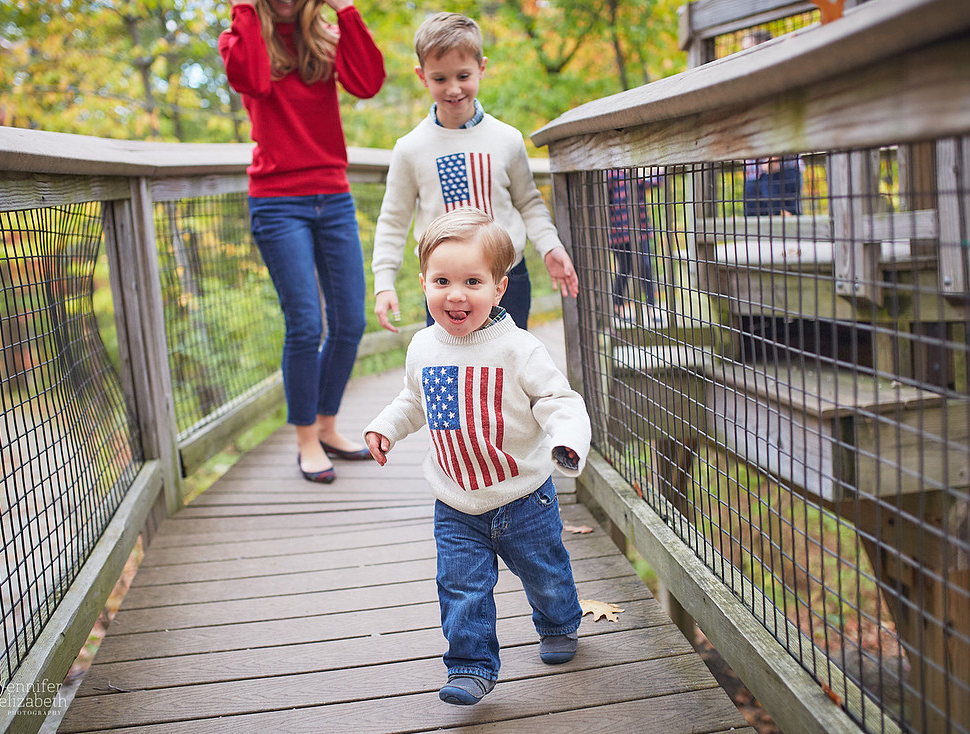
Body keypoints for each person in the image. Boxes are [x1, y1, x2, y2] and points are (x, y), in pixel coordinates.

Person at [365, 209, 590, 706]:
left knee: (545, 573)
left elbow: (558, 401)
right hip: (456, 502)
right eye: (442, 280)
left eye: (473, 281)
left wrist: (567, 438)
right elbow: (413, 400)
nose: (456, 294)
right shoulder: (424, 347)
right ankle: (470, 666)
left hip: (524, 497)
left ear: (499, 287)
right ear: (423, 283)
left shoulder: (519, 349)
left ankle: (558, 622)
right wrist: (385, 426)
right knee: (460, 587)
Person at [219, 0, 385, 483]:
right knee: (305, 324)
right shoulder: (240, 36)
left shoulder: (325, 38)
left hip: (333, 196)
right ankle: (306, 439)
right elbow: (250, 80)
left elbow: (368, 83)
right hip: (276, 201)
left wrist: (347, 10)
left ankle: (329, 425)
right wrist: (246, 7)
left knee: (350, 321)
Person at [370, 11, 578, 334]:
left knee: (508, 367)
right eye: (440, 79)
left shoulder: (507, 140)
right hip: (444, 289)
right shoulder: (410, 149)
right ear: (422, 76)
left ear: (481, 68)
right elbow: (393, 221)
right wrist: (384, 282)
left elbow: (529, 203)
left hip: (506, 279)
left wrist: (550, 246)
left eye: (463, 76)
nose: (453, 89)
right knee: (451, 372)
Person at [606, 169, 666, 328]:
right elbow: (603, 196)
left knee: (646, 267)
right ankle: (617, 307)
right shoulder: (611, 174)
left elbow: (656, 181)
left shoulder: (637, 171)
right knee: (624, 269)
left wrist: (651, 170)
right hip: (618, 232)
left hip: (640, 231)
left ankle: (651, 308)